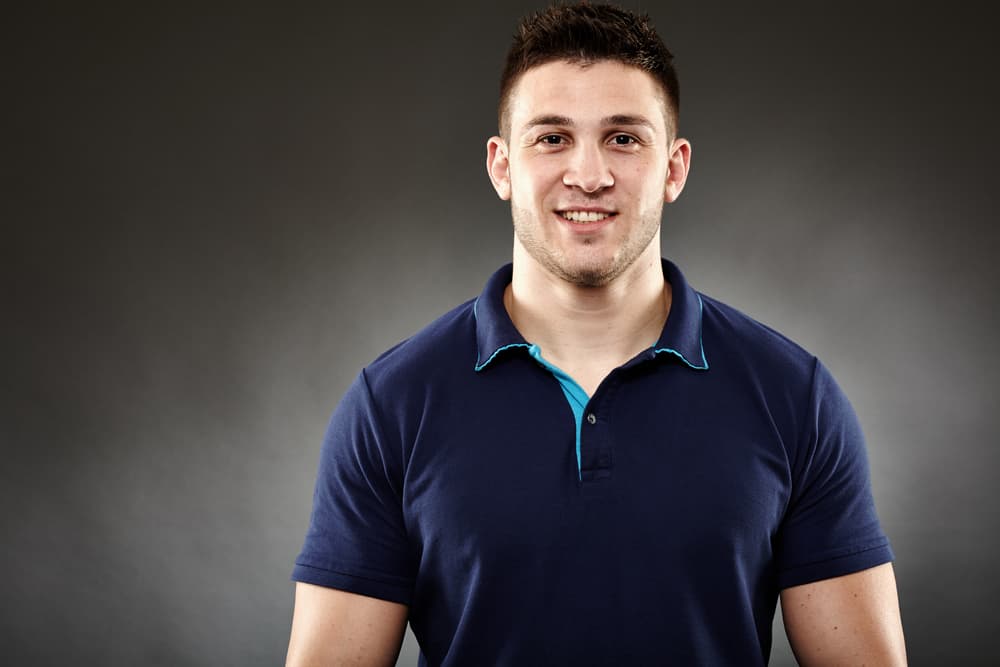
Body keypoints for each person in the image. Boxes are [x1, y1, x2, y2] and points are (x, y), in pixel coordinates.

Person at [285, 3, 907, 665]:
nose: (589, 175)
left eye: (624, 139)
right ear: (501, 166)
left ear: (674, 168)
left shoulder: (795, 396)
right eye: (552, 138)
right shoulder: (389, 406)